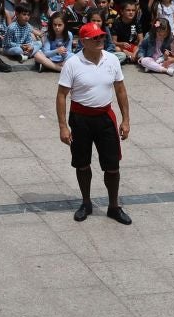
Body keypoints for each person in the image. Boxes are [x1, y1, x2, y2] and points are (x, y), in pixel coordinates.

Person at [56, 21, 132, 225]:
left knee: (112, 165)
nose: (100, 40)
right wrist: (63, 126)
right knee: (82, 163)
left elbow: (121, 90)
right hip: (80, 119)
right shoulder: (73, 63)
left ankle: (114, 206)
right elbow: (62, 95)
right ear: (83, 41)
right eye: (94, 38)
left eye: (101, 37)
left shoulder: (112, 60)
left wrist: (126, 120)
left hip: (105, 118)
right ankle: (86, 202)